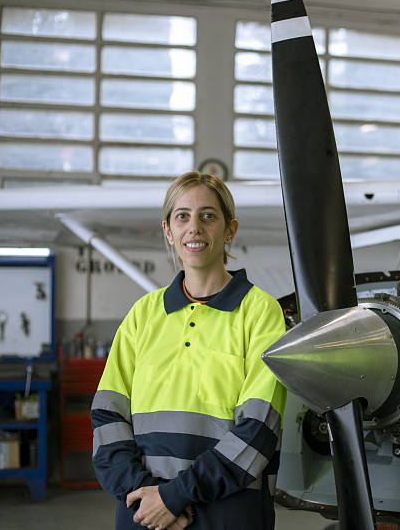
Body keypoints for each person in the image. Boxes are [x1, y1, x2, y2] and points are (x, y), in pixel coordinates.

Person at [91, 172, 287, 530]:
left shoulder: (260, 312)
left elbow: (259, 429)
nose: (194, 227)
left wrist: (175, 496)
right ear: (168, 230)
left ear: (230, 230)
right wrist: (144, 493)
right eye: (182, 216)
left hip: (227, 513)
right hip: (143, 512)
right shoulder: (143, 314)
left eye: (208, 216)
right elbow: (107, 417)